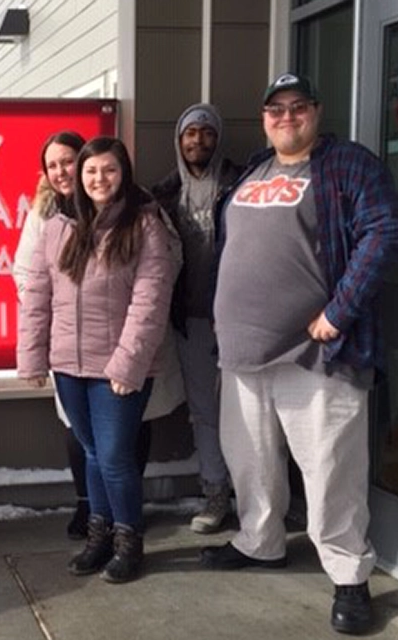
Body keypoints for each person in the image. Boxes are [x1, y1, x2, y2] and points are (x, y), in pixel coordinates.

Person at [202, 72, 398, 635]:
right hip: (242, 353)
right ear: (264, 117)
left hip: (315, 353)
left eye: (298, 106)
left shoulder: (347, 164)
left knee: (330, 471)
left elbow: (386, 231)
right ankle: (260, 542)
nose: (286, 116)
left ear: (316, 111)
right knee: (250, 463)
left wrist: (339, 310)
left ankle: (348, 576)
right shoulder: (253, 170)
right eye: (275, 108)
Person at [17, 136, 180, 584]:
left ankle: (130, 541)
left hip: (117, 370)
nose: (98, 179)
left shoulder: (145, 225)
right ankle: (100, 535)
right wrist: (33, 358)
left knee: (113, 456)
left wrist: (128, 364)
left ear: (123, 173)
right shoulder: (58, 227)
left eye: (108, 170)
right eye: (91, 171)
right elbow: (37, 296)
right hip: (69, 366)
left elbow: (150, 302)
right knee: (91, 452)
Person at [151, 103, 240, 534]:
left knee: (253, 413)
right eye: (190, 133)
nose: (198, 141)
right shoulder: (162, 195)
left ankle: (263, 499)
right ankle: (216, 494)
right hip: (191, 320)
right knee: (205, 413)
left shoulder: (243, 183)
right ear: (179, 139)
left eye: (206, 132)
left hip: (242, 319)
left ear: (218, 137)